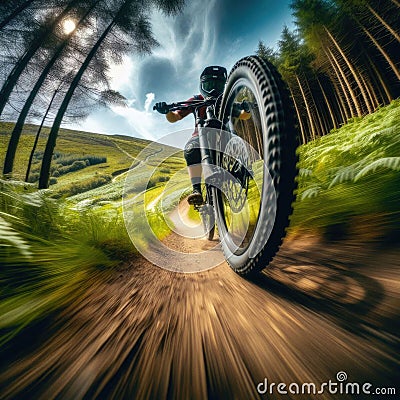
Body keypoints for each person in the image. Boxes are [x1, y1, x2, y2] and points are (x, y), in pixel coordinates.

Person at [154, 65, 250, 205]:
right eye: (209, 84)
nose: (213, 89)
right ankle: (196, 190)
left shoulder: (226, 101)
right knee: (191, 149)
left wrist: (246, 108)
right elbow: (175, 117)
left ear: (224, 86)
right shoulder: (196, 99)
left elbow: (244, 116)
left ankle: (240, 174)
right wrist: (167, 111)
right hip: (199, 137)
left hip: (223, 136)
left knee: (237, 145)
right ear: (202, 85)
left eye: (217, 85)